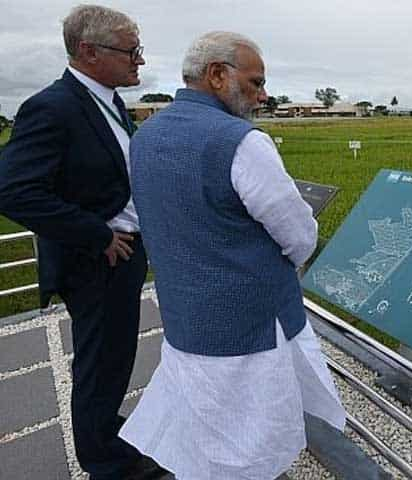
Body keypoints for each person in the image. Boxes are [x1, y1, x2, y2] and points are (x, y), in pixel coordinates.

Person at [119, 31, 346, 479]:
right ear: (218, 75)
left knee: (206, 426)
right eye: (256, 82)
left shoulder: (144, 136)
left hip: (187, 318)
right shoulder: (241, 142)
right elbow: (298, 235)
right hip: (251, 326)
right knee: (254, 436)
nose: (262, 95)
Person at [0, 5, 165, 479]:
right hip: (95, 261)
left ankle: (107, 436)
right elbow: (13, 190)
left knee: (113, 360)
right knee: (99, 364)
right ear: (89, 52)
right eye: (130, 50)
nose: (139, 60)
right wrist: (97, 236)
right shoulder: (52, 107)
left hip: (121, 254)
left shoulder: (106, 100)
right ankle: (107, 464)